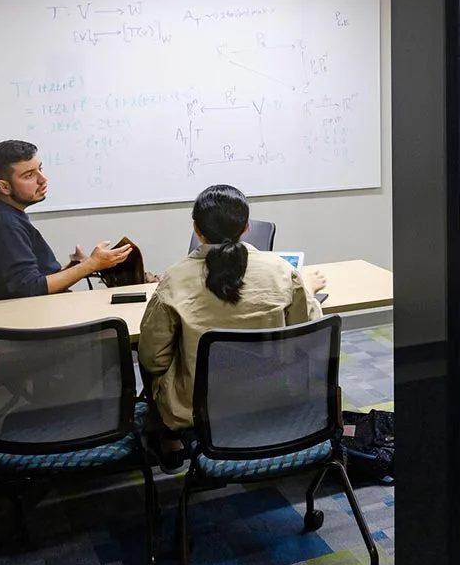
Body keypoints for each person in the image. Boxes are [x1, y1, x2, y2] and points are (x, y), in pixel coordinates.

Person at [139, 184, 329, 449]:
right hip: (275, 395)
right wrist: (305, 289)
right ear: (246, 227)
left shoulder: (175, 279)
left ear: (197, 229)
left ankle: (169, 444)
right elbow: (310, 332)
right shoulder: (281, 271)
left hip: (198, 409)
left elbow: (153, 359)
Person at [0, 140, 133, 301]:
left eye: (40, 169)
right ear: (4, 186)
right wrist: (91, 265)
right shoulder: (2, 224)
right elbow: (29, 289)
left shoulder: (3, 213)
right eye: (29, 175)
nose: (42, 179)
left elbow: (28, 279)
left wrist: (75, 267)